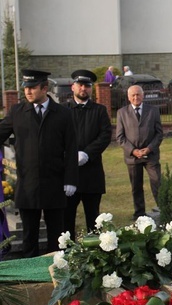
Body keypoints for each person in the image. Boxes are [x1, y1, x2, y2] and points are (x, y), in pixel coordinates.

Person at [0, 69, 77, 257]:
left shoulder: (63, 114)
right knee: (29, 238)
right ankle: (31, 280)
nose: (27, 91)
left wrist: (71, 179)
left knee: (56, 238)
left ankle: (55, 276)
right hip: (28, 186)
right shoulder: (17, 112)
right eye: (25, 87)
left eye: (32, 87)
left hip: (55, 184)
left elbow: (71, 149)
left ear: (45, 88)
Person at [64, 69, 112, 235]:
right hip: (69, 175)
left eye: (87, 86)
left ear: (91, 88)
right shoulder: (63, 111)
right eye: (80, 85)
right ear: (73, 87)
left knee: (94, 219)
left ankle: (95, 255)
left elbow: (105, 135)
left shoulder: (99, 111)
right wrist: (70, 156)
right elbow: (56, 137)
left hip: (92, 174)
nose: (83, 89)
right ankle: (66, 254)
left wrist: (88, 153)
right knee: (66, 218)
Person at [116, 85, 163, 220]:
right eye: (133, 95)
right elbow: (120, 137)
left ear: (143, 95)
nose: (136, 97)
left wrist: (149, 148)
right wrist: (133, 151)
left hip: (151, 155)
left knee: (157, 182)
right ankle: (139, 214)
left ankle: (164, 209)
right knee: (136, 186)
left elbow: (159, 134)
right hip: (132, 157)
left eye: (138, 94)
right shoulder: (122, 113)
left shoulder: (153, 111)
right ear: (128, 97)